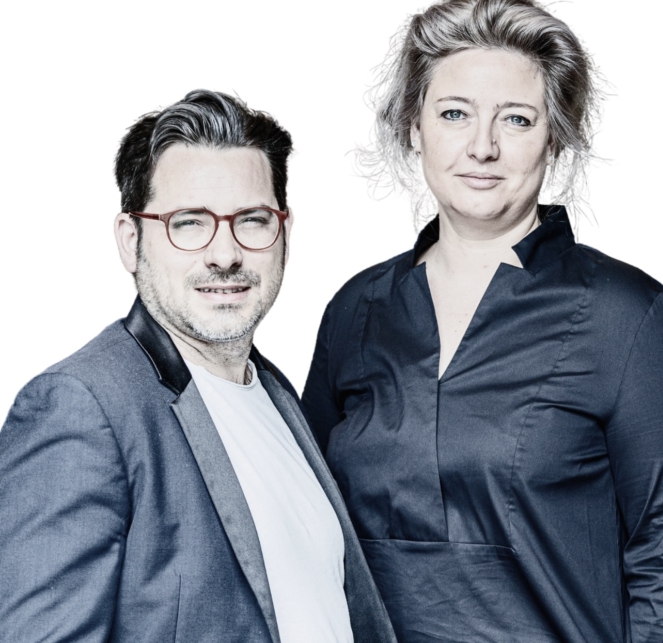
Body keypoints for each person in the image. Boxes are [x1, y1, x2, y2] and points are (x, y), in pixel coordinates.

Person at [302, 0, 663, 643]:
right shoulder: (355, 312)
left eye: (516, 119)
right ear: (414, 127)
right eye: (454, 114)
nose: (481, 147)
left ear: (554, 140)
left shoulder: (627, 317)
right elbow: (309, 528)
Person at [0, 90, 396, 643]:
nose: (225, 254)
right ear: (131, 240)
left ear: (284, 233)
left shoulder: (275, 394)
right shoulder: (80, 408)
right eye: (189, 223)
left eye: (252, 220)